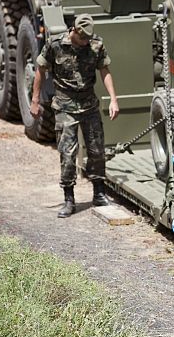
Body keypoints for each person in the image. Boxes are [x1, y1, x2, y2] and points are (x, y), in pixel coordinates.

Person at [30, 13, 119, 218]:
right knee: (68, 155)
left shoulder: (96, 45)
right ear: (75, 31)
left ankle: (99, 192)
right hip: (64, 106)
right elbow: (40, 71)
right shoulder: (55, 45)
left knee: (97, 151)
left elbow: (104, 70)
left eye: (89, 38)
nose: (87, 42)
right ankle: (69, 199)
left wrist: (113, 98)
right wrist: (35, 100)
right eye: (83, 38)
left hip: (89, 105)